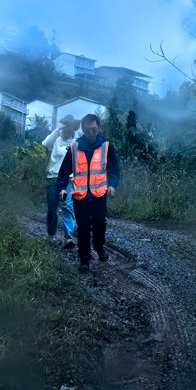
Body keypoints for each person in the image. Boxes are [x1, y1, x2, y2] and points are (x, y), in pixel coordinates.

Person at [56, 113, 120, 272]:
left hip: (99, 195)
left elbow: (114, 168)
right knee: (83, 227)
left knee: (99, 223)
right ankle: (84, 258)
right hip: (80, 196)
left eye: (94, 128)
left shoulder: (106, 146)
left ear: (98, 127)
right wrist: (62, 188)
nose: (91, 132)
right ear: (83, 129)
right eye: (88, 129)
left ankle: (99, 247)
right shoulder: (75, 148)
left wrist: (112, 185)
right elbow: (64, 172)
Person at [42, 114, 80, 248]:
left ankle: (69, 236)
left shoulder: (75, 144)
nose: (66, 131)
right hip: (53, 177)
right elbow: (45, 144)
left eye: (69, 128)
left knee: (67, 205)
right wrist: (58, 129)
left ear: (72, 130)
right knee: (52, 208)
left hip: (69, 179)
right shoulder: (55, 140)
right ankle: (51, 232)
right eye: (65, 127)